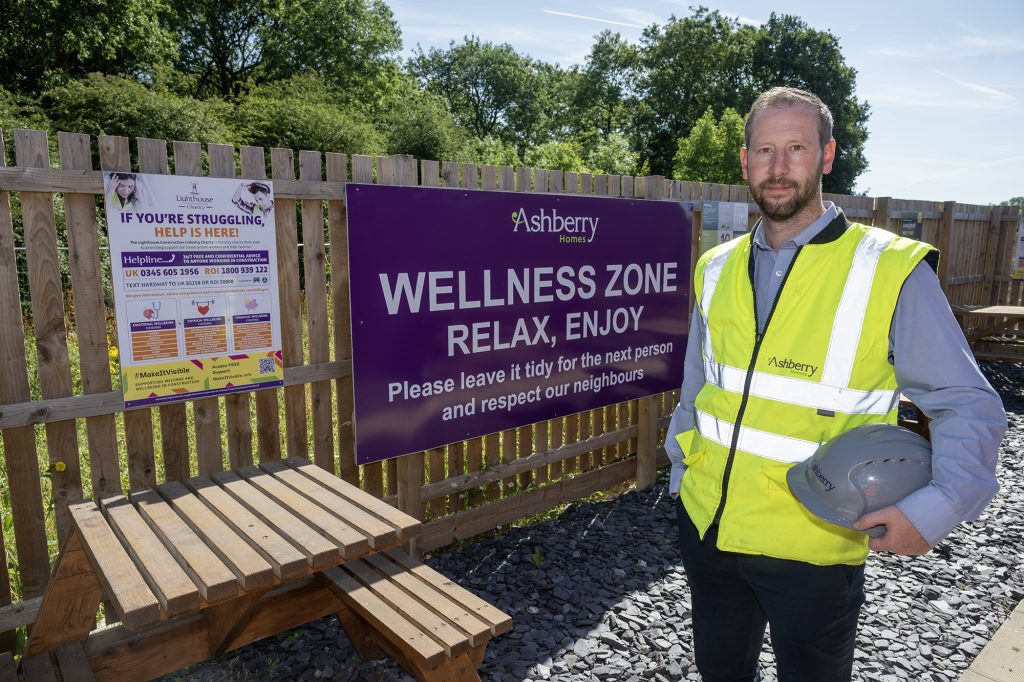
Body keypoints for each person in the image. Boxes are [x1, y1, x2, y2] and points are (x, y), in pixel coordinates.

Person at [664, 86, 1006, 681]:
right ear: (744, 162)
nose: (778, 166)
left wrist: (938, 507)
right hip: (708, 532)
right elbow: (698, 384)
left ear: (827, 157)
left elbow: (965, 403)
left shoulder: (890, 269)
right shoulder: (714, 268)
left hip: (815, 543)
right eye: (764, 150)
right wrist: (679, 469)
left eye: (796, 147)